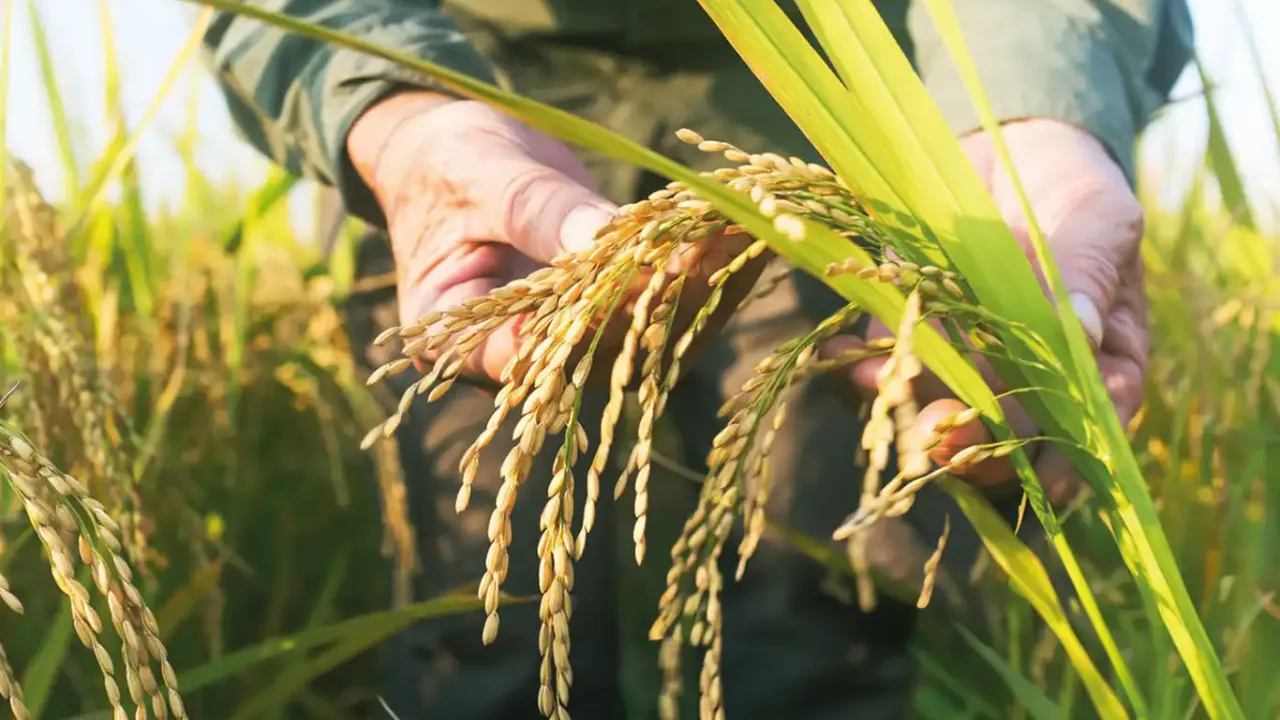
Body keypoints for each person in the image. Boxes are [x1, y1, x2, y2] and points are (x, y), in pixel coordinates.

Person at [203, 2, 1192, 718]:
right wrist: (400, 114)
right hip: (463, 80)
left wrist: (1029, 119)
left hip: (811, 96)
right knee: (477, 620)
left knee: (820, 611)